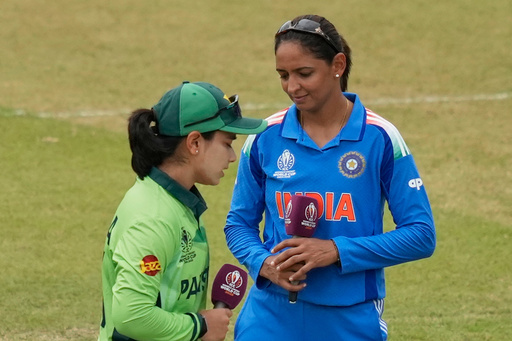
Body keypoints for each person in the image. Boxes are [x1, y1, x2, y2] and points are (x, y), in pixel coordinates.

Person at [224, 14, 436, 340]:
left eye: (304, 73)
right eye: (283, 75)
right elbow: (238, 225)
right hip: (269, 315)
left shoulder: (380, 138)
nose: (292, 87)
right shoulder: (265, 137)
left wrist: (335, 251)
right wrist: (264, 263)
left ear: (338, 64)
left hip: (349, 318)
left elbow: (421, 235)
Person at [98, 81, 268, 341]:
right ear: (195, 142)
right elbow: (132, 316)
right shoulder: (153, 218)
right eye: (227, 143)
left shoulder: (175, 201)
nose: (233, 157)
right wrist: (200, 326)